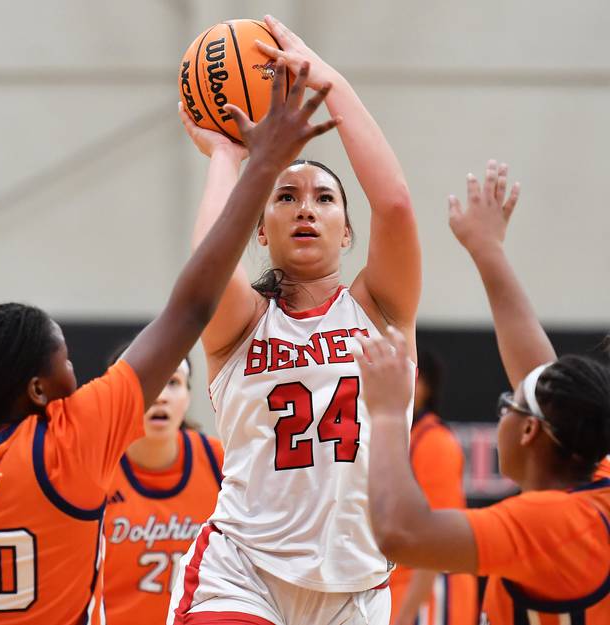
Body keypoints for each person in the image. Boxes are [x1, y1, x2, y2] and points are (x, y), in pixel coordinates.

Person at [0, 11, 340, 625]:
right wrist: (257, 165)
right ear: (38, 391)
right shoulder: (69, 442)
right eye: (64, 360)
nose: (76, 373)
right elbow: (194, 305)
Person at [169, 14, 421, 625]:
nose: (306, 208)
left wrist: (328, 81)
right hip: (242, 573)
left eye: (324, 198)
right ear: (259, 228)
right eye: (286, 196)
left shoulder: (379, 309)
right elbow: (206, 267)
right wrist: (228, 154)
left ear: (347, 231)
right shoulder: (240, 324)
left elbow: (393, 203)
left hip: (357, 587)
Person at [360, 161, 610, 624]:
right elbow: (539, 379)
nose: (504, 412)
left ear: (531, 430)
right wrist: (487, 249)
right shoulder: (595, 479)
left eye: (507, 405)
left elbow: (402, 533)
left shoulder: (553, 523)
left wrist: (390, 413)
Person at [103, 352, 224, 625]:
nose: (161, 396)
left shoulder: (218, 461)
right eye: (148, 383)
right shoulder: (97, 469)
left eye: (173, 383)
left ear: (188, 395)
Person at [389, 350, 477, 625]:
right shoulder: (401, 436)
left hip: (434, 595)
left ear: (422, 385)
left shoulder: (434, 441)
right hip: (399, 590)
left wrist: (405, 616)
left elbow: (438, 538)